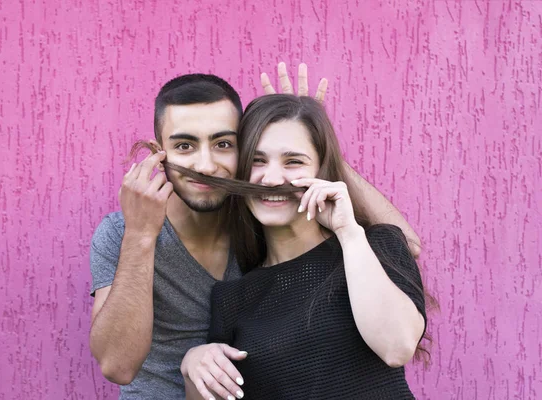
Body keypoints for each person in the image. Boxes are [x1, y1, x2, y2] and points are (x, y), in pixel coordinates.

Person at [89, 64, 423, 399]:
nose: (205, 165)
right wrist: (141, 234)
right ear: (158, 152)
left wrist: (308, 132)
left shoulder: (261, 220)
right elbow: (118, 367)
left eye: (222, 144)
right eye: (184, 146)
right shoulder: (124, 233)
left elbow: (401, 244)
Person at [181, 94, 428, 400]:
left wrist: (348, 233)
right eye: (257, 161)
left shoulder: (376, 245)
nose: (271, 179)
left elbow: (397, 347)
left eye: (293, 161)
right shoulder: (232, 299)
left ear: (322, 171)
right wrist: (191, 366)